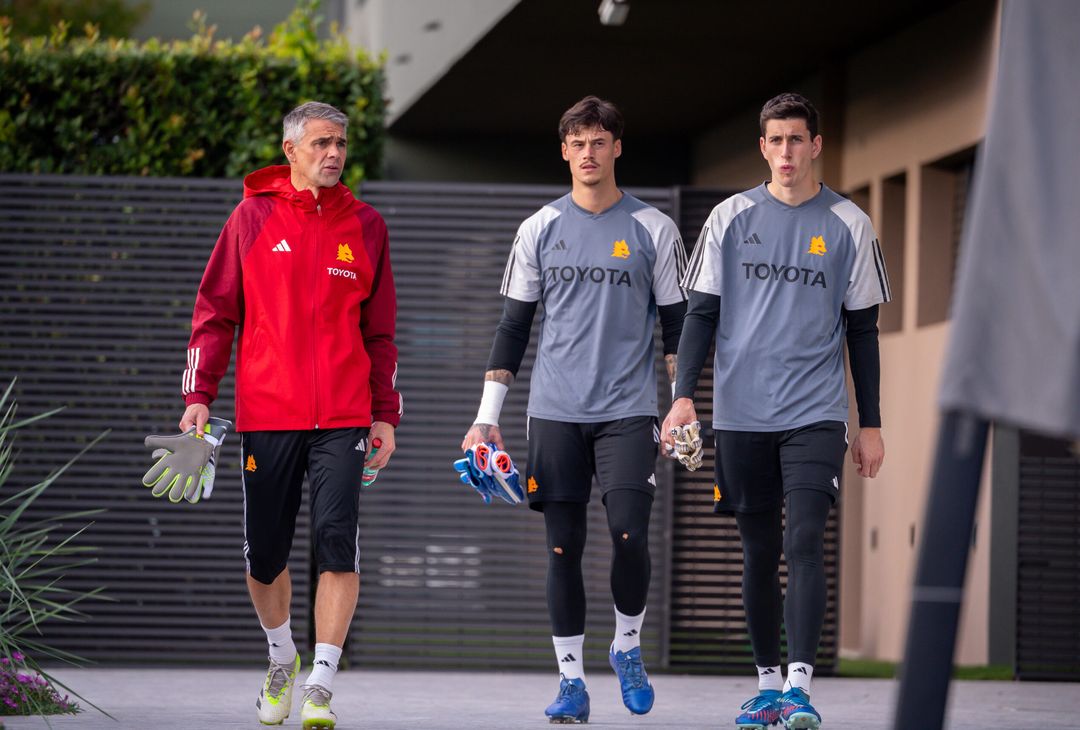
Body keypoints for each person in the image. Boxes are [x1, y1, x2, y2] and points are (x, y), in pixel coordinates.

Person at [662, 92, 889, 730]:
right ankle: (765, 686)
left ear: (817, 144)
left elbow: (863, 332)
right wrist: (684, 397)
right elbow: (701, 312)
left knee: (805, 540)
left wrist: (869, 422)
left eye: (797, 139)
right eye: (775, 140)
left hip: (816, 413)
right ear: (762, 147)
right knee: (759, 551)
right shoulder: (729, 218)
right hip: (740, 414)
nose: (786, 152)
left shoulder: (850, 223)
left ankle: (799, 687)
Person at [461, 95, 687, 724]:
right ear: (564, 151)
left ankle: (626, 647)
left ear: (618, 147)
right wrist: (487, 414)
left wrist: (681, 405)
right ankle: (570, 683)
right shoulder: (538, 228)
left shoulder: (654, 230)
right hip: (556, 410)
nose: (588, 153)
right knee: (562, 546)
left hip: (630, 408)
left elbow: (678, 328)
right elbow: (513, 327)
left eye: (599, 141)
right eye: (577, 143)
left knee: (629, 535)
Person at [178, 101, 402, 729]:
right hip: (267, 414)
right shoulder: (251, 219)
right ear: (291, 150)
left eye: (342, 144)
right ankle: (282, 658)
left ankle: (322, 684)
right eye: (322, 143)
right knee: (264, 556)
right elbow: (214, 314)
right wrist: (198, 397)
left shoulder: (367, 226)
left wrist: (385, 415)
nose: (334, 153)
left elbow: (381, 334)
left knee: (338, 543)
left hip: (343, 416)